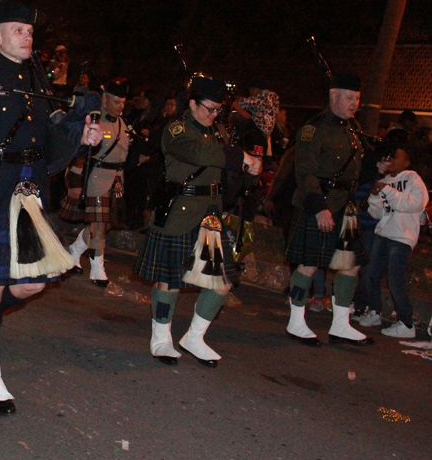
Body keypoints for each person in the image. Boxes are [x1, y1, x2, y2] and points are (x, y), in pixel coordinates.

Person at [0, 1, 102, 415]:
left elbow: (47, 139)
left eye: (30, 30)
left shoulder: (35, 80)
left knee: (33, 284)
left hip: (30, 195)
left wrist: (81, 134)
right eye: (18, 30)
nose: (27, 36)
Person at [133, 77, 261, 367]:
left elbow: (222, 167)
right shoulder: (176, 130)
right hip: (180, 211)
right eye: (209, 108)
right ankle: (161, 338)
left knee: (222, 282)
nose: (213, 114)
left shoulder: (218, 133)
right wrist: (239, 156)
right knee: (169, 281)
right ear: (192, 103)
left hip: (211, 216)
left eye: (218, 110)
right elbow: (198, 153)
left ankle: (195, 336)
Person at [284, 74, 379, 347]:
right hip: (320, 203)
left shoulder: (353, 129)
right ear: (334, 97)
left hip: (345, 208)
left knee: (350, 265)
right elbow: (304, 172)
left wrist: (376, 169)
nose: (355, 104)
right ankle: (296, 320)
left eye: (358, 99)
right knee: (310, 263)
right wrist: (319, 208)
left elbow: (355, 171)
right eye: (349, 98)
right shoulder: (313, 129)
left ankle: (341, 325)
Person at [64, 79, 130, 284]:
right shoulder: (94, 119)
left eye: (123, 102)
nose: (121, 106)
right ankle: (97, 269)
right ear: (105, 99)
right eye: (117, 101)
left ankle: (74, 252)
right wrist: (74, 181)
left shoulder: (121, 124)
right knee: (99, 225)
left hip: (114, 180)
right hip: (96, 178)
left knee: (103, 225)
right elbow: (79, 153)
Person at [363, 147, 428, 337]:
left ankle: (407, 324)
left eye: (395, 156)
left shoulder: (412, 178)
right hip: (383, 233)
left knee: (395, 279)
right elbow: (376, 213)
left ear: (406, 161)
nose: (390, 159)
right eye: (388, 156)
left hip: (402, 235)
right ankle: (374, 311)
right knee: (372, 275)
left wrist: (388, 191)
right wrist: (375, 196)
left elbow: (416, 203)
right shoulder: (383, 181)